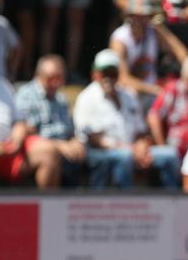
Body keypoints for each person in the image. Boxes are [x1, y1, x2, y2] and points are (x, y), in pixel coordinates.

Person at [74, 49, 180, 190]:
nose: (108, 78)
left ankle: (173, 206)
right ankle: (126, 206)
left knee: (170, 155)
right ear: (95, 74)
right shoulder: (86, 98)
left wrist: (142, 145)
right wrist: (131, 150)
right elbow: (95, 139)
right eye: (104, 73)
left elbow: (141, 131)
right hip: (99, 153)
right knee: (124, 158)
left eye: (113, 73)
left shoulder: (128, 95)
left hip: (132, 150)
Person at [15, 55, 85, 185]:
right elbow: (28, 132)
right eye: (50, 78)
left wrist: (76, 142)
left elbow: (70, 131)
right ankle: (49, 204)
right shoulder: (26, 95)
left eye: (59, 78)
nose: (55, 83)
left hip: (65, 150)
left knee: (87, 154)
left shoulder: (61, 99)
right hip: (39, 148)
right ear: (38, 76)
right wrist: (59, 146)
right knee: (51, 155)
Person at [109, 0, 188, 107]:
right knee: (132, 94)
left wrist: (162, 29)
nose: (141, 20)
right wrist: (155, 90)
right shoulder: (120, 39)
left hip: (152, 91)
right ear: (129, 16)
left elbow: (182, 53)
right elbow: (122, 78)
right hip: (130, 92)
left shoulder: (154, 32)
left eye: (145, 15)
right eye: (137, 15)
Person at [0, 75, 61, 189]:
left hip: (9, 148)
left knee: (49, 152)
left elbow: (19, 121)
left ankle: (48, 206)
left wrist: (17, 139)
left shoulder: (2, 85)